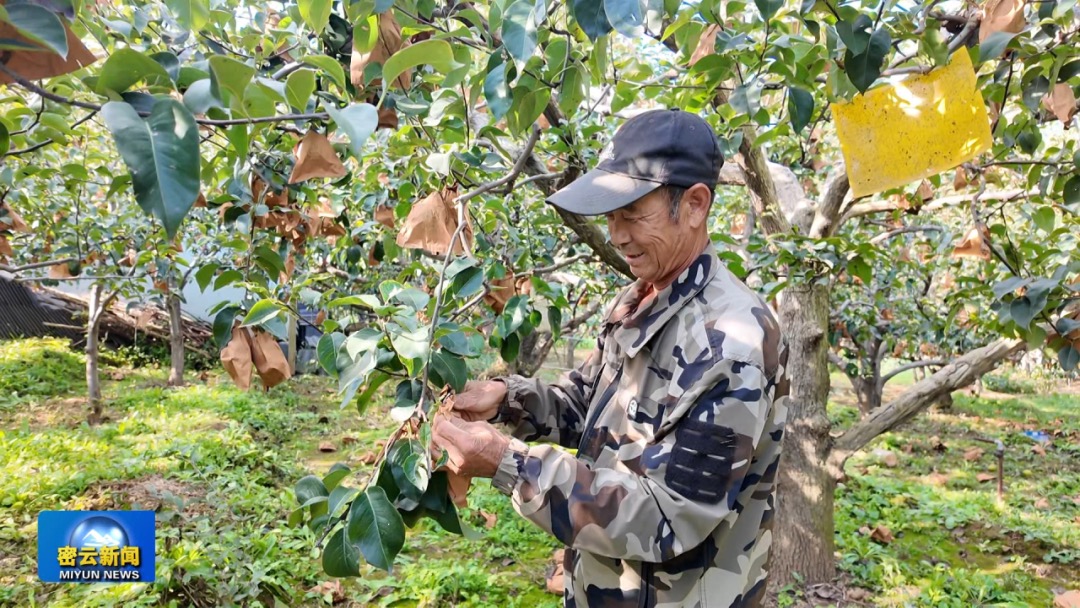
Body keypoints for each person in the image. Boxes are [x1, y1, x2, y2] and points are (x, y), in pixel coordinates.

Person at [431, 108, 790, 607]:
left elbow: (671, 516)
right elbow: (592, 405)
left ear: (694, 204)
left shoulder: (733, 343)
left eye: (632, 214)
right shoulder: (642, 297)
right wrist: (506, 400)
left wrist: (510, 464)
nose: (617, 234)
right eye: (610, 216)